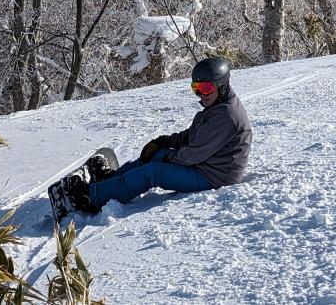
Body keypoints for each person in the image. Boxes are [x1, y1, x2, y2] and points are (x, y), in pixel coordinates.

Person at [64, 56, 252, 214]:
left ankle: (90, 197)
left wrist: (169, 156)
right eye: (197, 89)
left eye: (207, 89)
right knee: (154, 155)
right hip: (205, 164)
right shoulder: (217, 106)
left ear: (222, 85)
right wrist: (164, 142)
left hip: (214, 176)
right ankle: (109, 181)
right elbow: (194, 136)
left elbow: (193, 154)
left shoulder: (226, 116)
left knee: (153, 172)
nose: (201, 95)